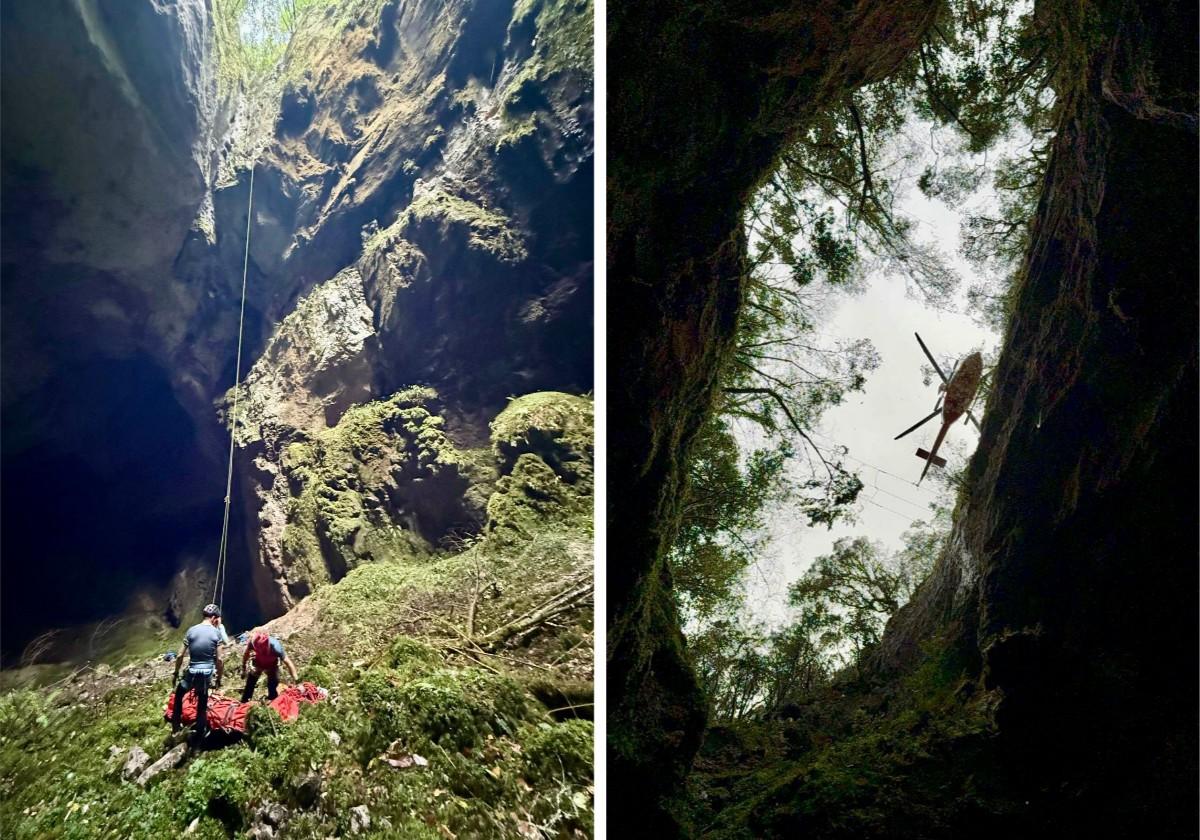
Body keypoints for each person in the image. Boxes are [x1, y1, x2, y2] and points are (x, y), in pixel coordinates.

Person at [171, 603, 225, 741]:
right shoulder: (216, 633)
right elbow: (220, 660)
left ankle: (175, 728)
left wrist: (176, 673)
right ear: (214, 618)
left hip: (191, 673)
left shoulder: (191, 631)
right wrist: (219, 678)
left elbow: (179, 656)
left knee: (178, 696)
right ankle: (200, 733)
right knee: (202, 702)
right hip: (206, 675)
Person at [240, 629, 299, 702]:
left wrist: (296, 680)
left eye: (262, 650)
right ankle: (244, 702)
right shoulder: (253, 642)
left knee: (273, 685)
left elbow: (288, 662)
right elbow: (246, 654)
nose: (261, 650)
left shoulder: (276, 647)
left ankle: (272, 700)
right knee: (250, 684)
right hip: (258, 663)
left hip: (272, 665)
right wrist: (243, 668)